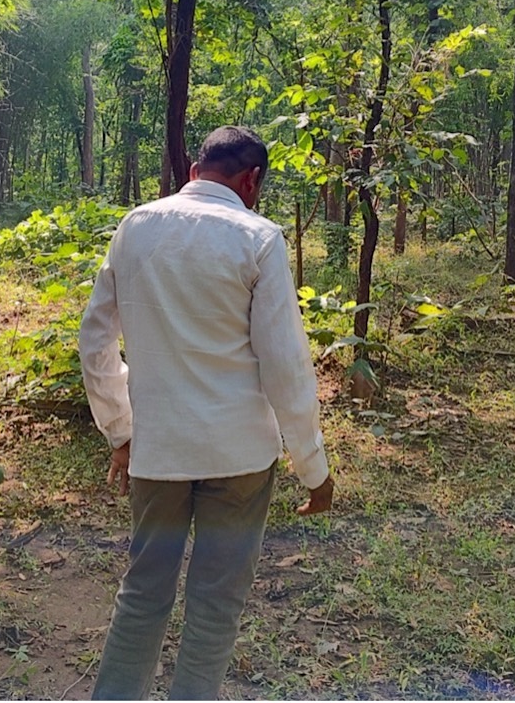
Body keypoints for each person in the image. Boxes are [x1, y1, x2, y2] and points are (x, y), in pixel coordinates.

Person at [78, 125, 334, 700]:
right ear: (252, 181)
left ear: (195, 172)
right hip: (238, 457)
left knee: (142, 594)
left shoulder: (135, 226)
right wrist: (313, 469)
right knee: (216, 604)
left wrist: (121, 430)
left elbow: (95, 342)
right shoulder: (258, 239)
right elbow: (285, 366)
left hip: (157, 452)